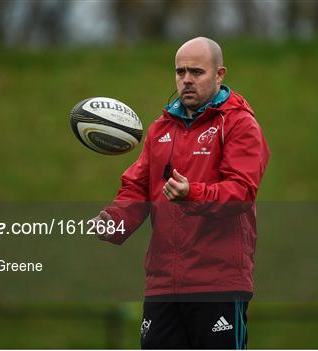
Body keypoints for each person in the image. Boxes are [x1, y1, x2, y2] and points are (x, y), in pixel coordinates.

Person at [93, 37, 270, 349]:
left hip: (217, 284)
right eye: (180, 72)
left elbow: (241, 192)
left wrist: (193, 193)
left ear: (220, 74)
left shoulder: (239, 124)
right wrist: (113, 220)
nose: (186, 80)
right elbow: (136, 188)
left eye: (197, 72)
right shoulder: (160, 129)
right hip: (164, 286)